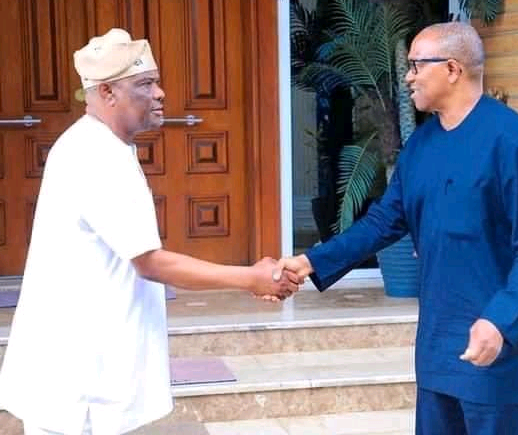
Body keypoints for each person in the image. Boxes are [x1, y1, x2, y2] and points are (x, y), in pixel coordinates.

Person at [0, 28, 299, 435]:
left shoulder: (98, 145)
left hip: (83, 376)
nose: (160, 93)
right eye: (145, 84)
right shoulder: (97, 156)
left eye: (156, 81)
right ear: (107, 93)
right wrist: (250, 278)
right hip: (81, 383)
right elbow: (150, 262)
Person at [279, 22, 518, 435]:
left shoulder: (513, 141)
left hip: (499, 348)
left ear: (451, 69)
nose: (408, 76)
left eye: (416, 65)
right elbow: (383, 221)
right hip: (438, 345)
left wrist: (498, 320)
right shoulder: (421, 145)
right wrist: (310, 260)